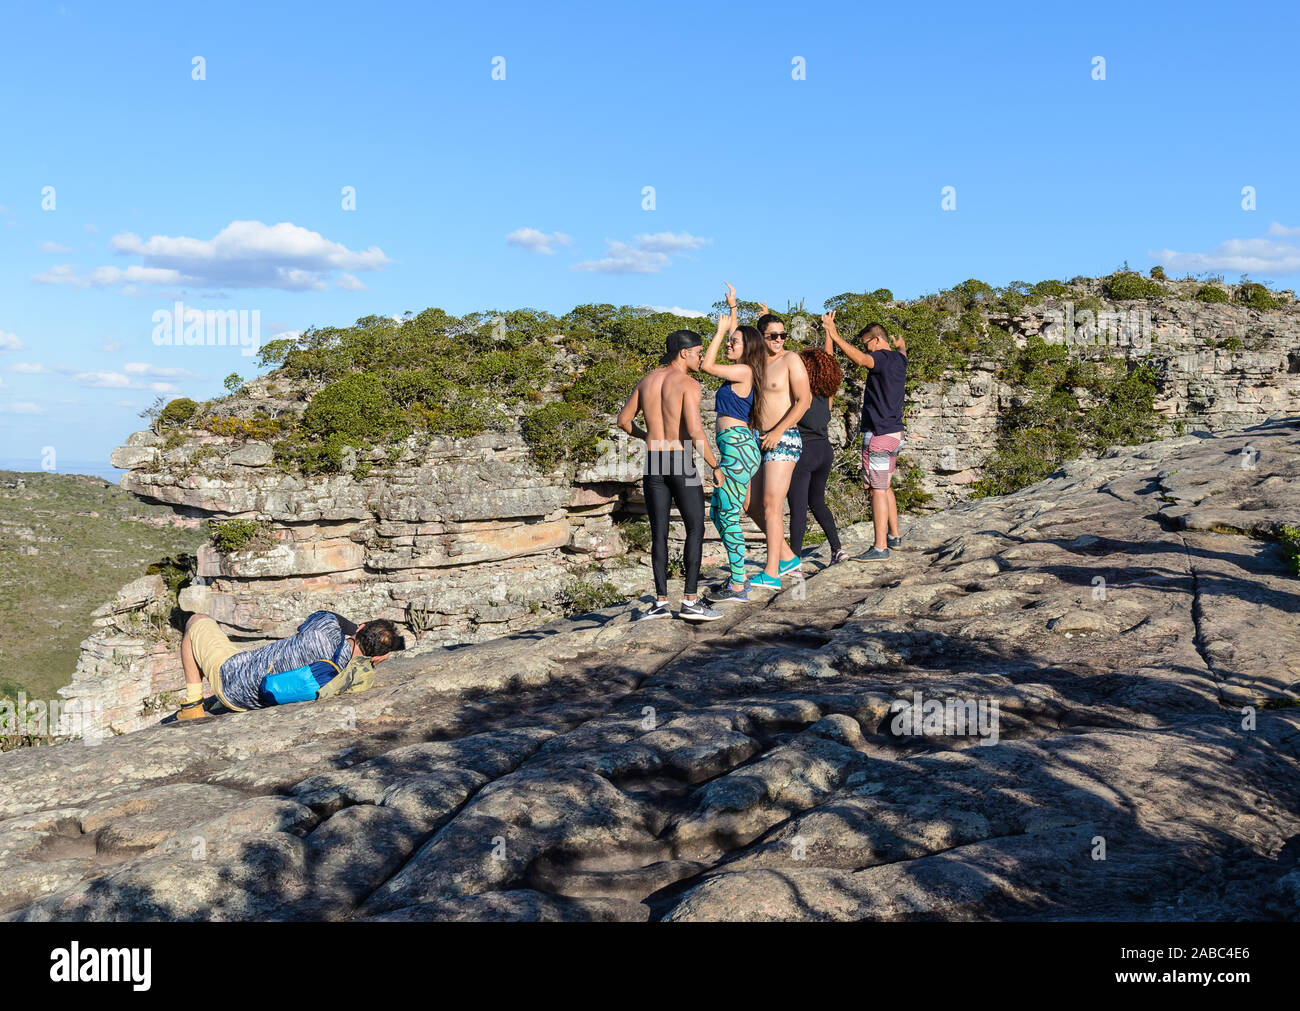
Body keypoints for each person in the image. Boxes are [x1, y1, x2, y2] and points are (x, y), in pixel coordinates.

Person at [616, 329, 724, 621]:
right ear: (683, 352)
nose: (701, 357)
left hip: (654, 461)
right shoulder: (688, 384)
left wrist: (646, 435)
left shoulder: (647, 381)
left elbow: (624, 421)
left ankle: (661, 602)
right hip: (680, 461)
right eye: (699, 352)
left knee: (659, 532)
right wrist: (715, 465)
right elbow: (696, 431)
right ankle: (690, 601)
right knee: (695, 528)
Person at [174, 609, 405, 721]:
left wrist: (356, 628)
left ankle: (193, 706)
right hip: (257, 701)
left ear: (361, 627)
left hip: (233, 679)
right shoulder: (352, 677)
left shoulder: (324, 631)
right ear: (376, 658)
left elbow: (320, 616)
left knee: (197, 621)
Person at [823, 310, 907, 559]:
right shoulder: (899, 359)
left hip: (879, 433)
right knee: (886, 485)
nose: (867, 350)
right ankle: (894, 536)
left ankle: (880, 547)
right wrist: (902, 346)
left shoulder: (880, 357)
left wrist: (835, 336)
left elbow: (861, 360)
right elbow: (901, 351)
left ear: (877, 341)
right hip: (895, 433)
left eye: (867, 344)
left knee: (877, 489)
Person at [701, 284, 765, 603]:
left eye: (733, 342)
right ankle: (737, 575)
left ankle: (739, 584)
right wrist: (734, 310)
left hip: (738, 450)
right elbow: (739, 337)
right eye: (728, 340)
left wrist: (719, 330)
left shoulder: (743, 371)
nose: (729, 342)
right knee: (718, 512)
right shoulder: (742, 370)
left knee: (727, 515)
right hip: (736, 449)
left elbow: (707, 366)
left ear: (746, 348)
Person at [744, 306, 812, 589]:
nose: (779, 340)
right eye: (773, 336)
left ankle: (771, 573)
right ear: (760, 338)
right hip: (757, 440)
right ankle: (786, 557)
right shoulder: (754, 363)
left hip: (783, 439)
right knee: (750, 504)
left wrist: (777, 430)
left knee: (772, 505)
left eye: (783, 335)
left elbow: (804, 400)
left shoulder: (790, 359)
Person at [788, 345, 847, 563]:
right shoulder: (827, 394)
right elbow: (828, 358)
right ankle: (837, 549)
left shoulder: (799, 395)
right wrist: (829, 334)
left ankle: (794, 559)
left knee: (798, 508)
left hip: (804, 452)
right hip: (824, 451)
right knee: (818, 502)